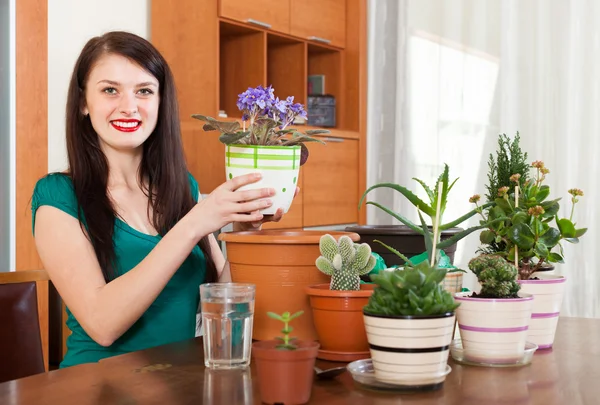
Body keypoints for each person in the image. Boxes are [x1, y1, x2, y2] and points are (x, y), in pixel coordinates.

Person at [32, 31, 294, 368]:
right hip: (95, 388)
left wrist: (245, 229)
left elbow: (225, 299)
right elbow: (101, 325)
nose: (129, 106)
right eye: (110, 90)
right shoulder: (57, 196)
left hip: (182, 382)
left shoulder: (181, 187)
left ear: (160, 101)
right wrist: (193, 225)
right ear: (84, 102)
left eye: (144, 91)